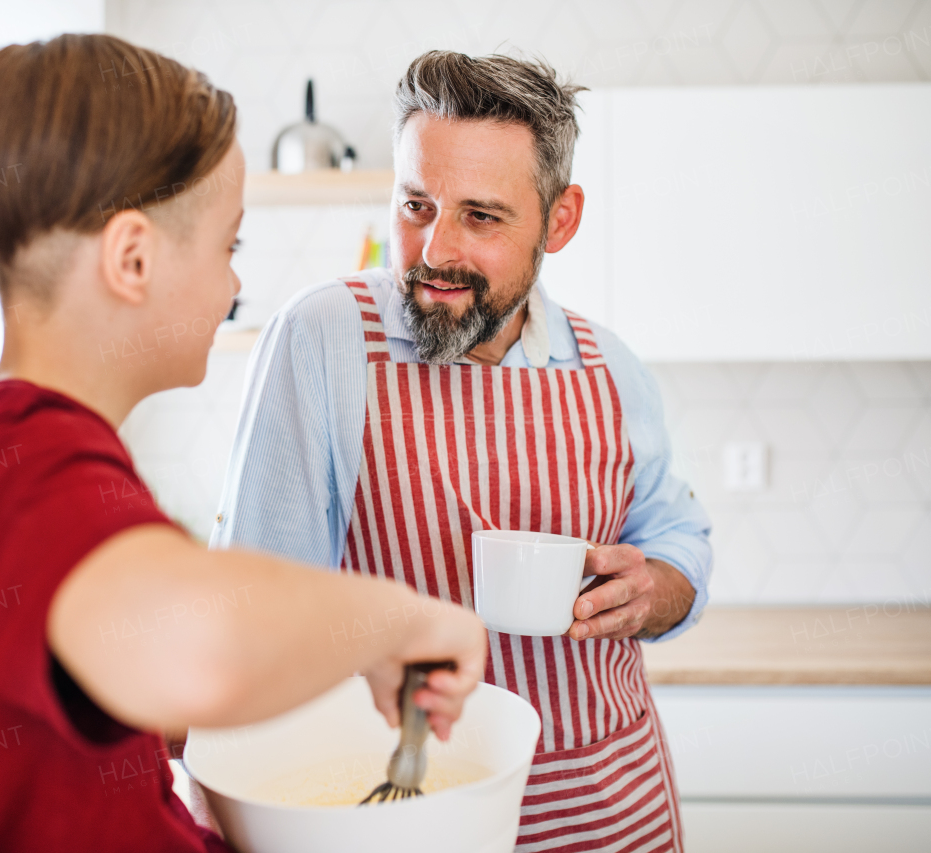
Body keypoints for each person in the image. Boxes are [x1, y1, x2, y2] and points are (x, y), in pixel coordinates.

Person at [0, 35, 487, 852]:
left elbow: (107, 700)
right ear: (133, 259)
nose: (235, 285)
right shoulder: (26, 460)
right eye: (228, 247)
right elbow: (197, 649)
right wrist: (405, 620)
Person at [212, 51, 714, 852]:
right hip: (410, 811)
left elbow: (679, 535)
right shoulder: (324, 338)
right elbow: (252, 607)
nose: (435, 249)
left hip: (615, 810)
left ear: (561, 218)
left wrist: (660, 588)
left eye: (481, 216)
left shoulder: (611, 366)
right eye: (416, 204)